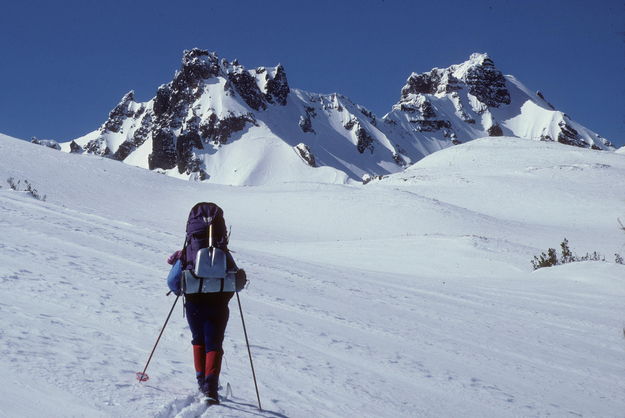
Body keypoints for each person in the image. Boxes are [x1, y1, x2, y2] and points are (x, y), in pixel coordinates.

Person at [167, 202, 244, 404]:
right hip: (218, 304)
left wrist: (181, 288)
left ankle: (202, 381)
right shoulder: (224, 254)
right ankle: (211, 387)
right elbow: (238, 283)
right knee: (214, 343)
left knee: (198, 340)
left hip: (194, 302)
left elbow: (173, 282)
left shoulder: (187, 254)